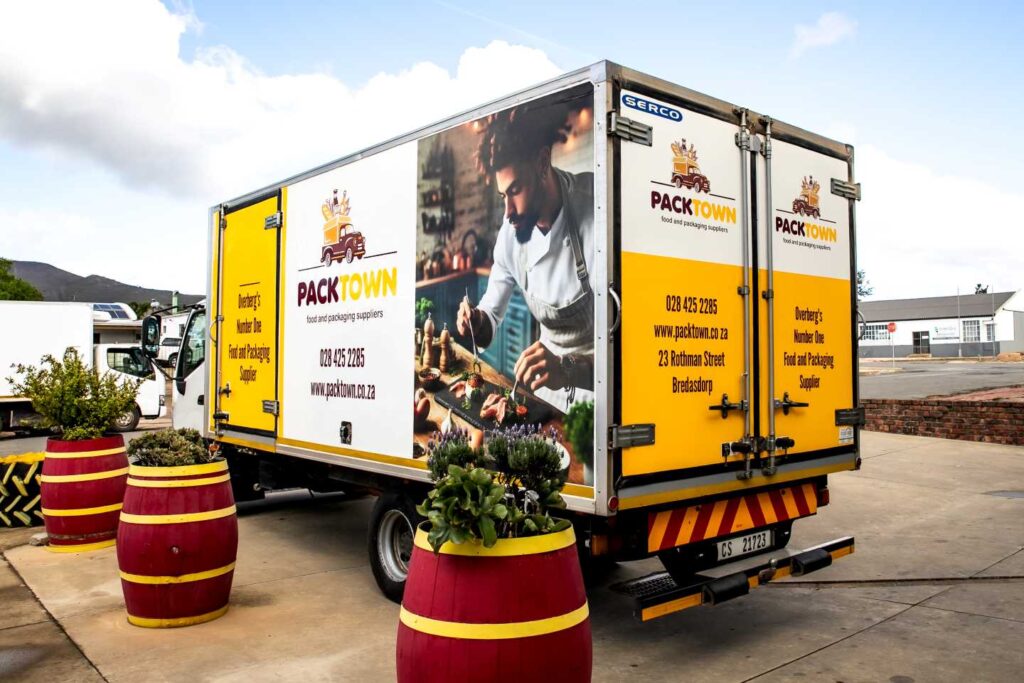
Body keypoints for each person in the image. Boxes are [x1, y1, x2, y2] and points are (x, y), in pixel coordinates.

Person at [457, 100, 594, 410]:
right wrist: (476, 320)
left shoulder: (595, 210)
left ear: (542, 163)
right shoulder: (510, 235)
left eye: (515, 190)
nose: (508, 212)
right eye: (503, 195)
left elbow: (627, 348)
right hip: (544, 391)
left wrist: (567, 368)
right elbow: (490, 317)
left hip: (597, 394)